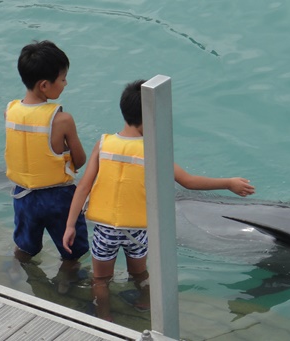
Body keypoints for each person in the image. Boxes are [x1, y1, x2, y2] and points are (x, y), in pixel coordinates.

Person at [63, 79, 255, 321]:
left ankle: (104, 316)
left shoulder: (103, 144)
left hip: (106, 230)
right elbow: (188, 181)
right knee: (140, 273)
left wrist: (70, 225)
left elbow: (83, 187)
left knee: (101, 280)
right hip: (137, 231)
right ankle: (145, 303)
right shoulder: (153, 150)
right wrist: (228, 183)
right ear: (150, 118)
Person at [4, 40, 88, 291]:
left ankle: (15, 274)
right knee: (72, 250)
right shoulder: (61, 119)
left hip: (22, 195)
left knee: (25, 246)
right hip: (57, 198)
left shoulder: (10, 110)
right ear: (45, 85)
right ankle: (65, 285)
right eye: (62, 79)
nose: (65, 83)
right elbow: (80, 160)